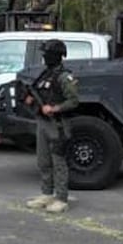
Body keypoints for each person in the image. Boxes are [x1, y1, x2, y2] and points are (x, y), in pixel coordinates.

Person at [24, 39, 79, 213]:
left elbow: (74, 101)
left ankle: (61, 198)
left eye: (46, 54)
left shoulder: (64, 77)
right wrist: (30, 100)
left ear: (56, 55)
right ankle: (47, 193)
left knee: (58, 162)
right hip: (43, 123)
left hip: (58, 124)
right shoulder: (45, 74)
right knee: (43, 161)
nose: (44, 57)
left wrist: (55, 108)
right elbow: (38, 93)